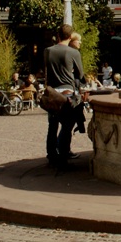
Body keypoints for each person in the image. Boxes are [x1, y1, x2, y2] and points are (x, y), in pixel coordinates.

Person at [44, 24, 85, 168]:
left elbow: (47, 70)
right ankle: (63, 155)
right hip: (67, 92)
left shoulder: (48, 51)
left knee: (52, 125)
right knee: (67, 125)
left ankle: (51, 154)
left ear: (58, 35)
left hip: (52, 92)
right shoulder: (73, 52)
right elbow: (80, 74)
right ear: (70, 36)